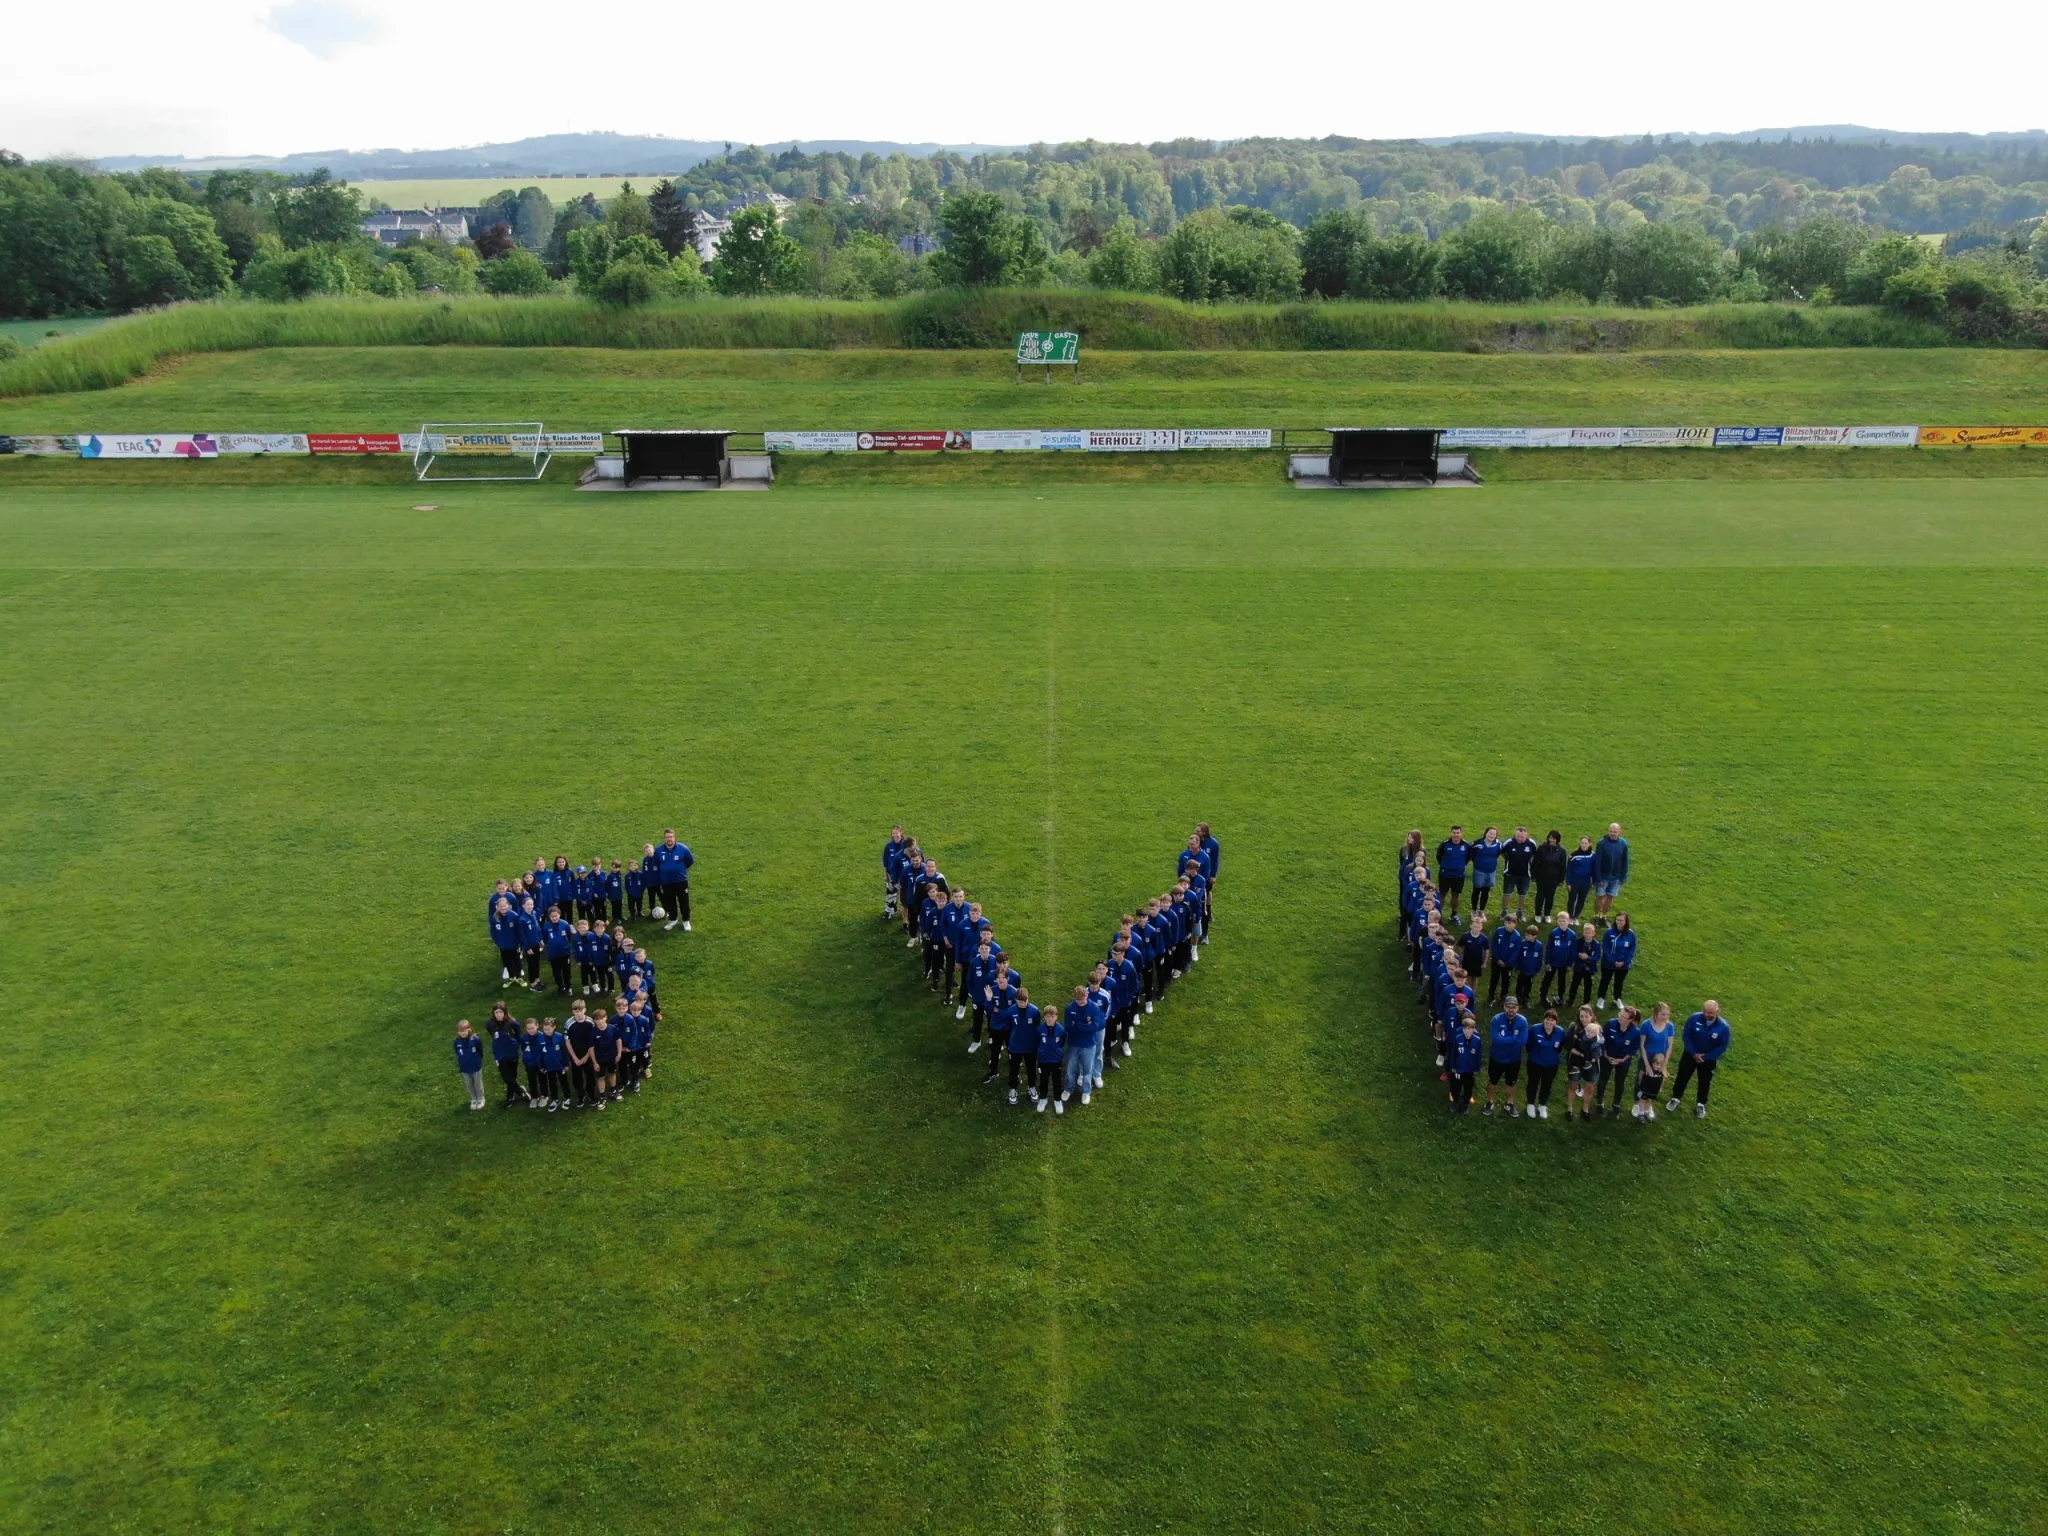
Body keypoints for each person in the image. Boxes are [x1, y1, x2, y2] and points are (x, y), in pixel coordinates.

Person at [1669, 1000, 1731, 1118]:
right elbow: (1686, 1035)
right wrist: (1693, 1053)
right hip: (1690, 1055)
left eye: (1711, 1013)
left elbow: (1722, 1046)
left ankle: (1701, 1103)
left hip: (1708, 1060)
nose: (1708, 1015)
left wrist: (1706, 1057)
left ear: (1718, 1011)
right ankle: (1675, 1097)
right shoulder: (1694, 1018)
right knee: (1682, 1076)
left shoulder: (1723, 1027)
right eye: (1706, 1012)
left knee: (1705, 1081)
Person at [1483, 997, 1529, 1117]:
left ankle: (1509, 1103)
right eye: (1508, 1007)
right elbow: (1496, 1039)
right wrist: (1513, 1039)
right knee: (1493, 1081)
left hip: (1514, 1059)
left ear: (1517, 1008)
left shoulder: (1522, 1021)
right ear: (1504, 1007)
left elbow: (1522, 1041)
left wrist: (1506, 1040)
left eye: (1513, 1007)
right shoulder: (1496, 1019)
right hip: (1497, 1057)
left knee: (1511, 1083)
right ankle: (1490, 1102)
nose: (1511, 1010)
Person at [1597, 1006, 1640, 1118]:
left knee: (1620, 1082)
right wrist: (1605, 1054)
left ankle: (1616, 1103)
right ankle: (1599, 1101)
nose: (1620, 1017)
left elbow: (1634, 1048)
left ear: (1630, 1019)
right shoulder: (1611, 1024)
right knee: (1603, 1079)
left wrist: (1623, 1059)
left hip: (1623, 1060)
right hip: (1607, 1057)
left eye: (1623, 1017)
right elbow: (1603, 1039)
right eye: (1620, 1014)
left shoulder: (1635, 1032)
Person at [1635, 1002, 1675, 1121]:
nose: (1665, 1017)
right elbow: (1642, 1045)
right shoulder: (1646, 1025)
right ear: (1656, 1013)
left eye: (1667, 1014)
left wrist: (1664, 1064)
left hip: (1659, 1060)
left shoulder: (1670, 1026)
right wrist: (1647, 1064)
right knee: (1641, 1080)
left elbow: (1669, 1046)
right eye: (1663, 1014)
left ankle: (1649, 1106)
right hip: (1647, 1058)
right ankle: (1638, 1104)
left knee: (1655, 1082)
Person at [1062, 985, 1100, 1107]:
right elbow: (1068, 1027)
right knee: (1070, 1069)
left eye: (1082, 1000)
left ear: (1087, 996)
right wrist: (1084, 1027)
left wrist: (1080, 1027)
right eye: (1078, 1000)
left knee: (1087, 1070)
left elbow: (1095, 1026)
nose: (1080, 1002)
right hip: (1074, 1044)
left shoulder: (1094, 1008)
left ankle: (1086, 1091)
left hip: (1089, 1045)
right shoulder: (1070, 1008)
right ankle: (1068, 1089)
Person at [1525, 1008, 1566, 1120]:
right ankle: (1530, 1104)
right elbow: (1529, 1045)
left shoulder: (1560, 1032)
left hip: (1551, 1065)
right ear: (1543, 1020)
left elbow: (1560, 1047)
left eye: (1552, 1020)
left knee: (1547, 1085)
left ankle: (1542, 1105)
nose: (1549, 1022)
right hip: (1535, 1063)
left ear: (1556, 1022)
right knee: (1533, 1083)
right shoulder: (1535, 1029)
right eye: (1547, 1019)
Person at [1564, 1006, 1602, 1121]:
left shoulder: (1598, 1028)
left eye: (1586, 1016)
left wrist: (1592, 1057)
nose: (1584, 1019)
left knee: (1590, 1087)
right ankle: (1570, 1109)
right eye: (1581, 1016)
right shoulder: (1574, 1027)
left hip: (1592, 1063)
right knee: (1573, 1085)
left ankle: (1585, 1110)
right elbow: (1567, 1045)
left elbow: (1601, 1045)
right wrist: (1581, 1054)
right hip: (1576, 1061)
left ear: (1592, 1016)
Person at [654, 828, 695, 931]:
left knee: (684, 902)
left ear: (675, 837)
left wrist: (680, 870)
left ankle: (686, 921)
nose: (669, 839)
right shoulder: (659, 850)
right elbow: (656, 864)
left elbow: (690, 861)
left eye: (671, 837)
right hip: (666, 882)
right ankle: (673, 919)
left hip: (681, 881)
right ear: (664, 838)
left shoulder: (683, 849)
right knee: (670, 902)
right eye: (667, 837)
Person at [1007, 988, 1041, 1106]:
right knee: (1014, 1068)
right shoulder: (1011, 1011)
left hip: (1030, 1047)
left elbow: (1037, 1027)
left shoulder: (1035, 1011)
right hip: (1015, 1046)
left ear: (1028, 999)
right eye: (1019, 1002)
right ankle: (1013, 1089)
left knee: (1031, 1068)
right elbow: (1009, 1026)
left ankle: (1031, 1087)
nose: (1021, 1004)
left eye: (1024, 1001)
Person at [1034, 1003, 1067, 1114]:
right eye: (1047, 1016)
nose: (1050, 1019)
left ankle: (1057, 1100)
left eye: (1052, 1016)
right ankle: (1043, 1099)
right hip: (1043, 1061)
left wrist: (1057, 1053)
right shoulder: (1039, 1029)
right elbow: (1036, 1043)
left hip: (1056, 1061)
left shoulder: (1061, 1030)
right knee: (1043, 1080)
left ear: (1056, 1017)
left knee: (1056, 1081)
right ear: (1044, 1017)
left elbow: (1062, 1042)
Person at [1599, 914, 1637, 1007]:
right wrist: (1613, 961)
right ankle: (1601, 998)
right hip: (1608, 963)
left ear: (1626, 922)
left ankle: (1617, 998)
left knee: (1619, 982)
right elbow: (1606, 948)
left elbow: (1632, 950)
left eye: (1621, 920)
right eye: (1617, 920)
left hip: (1624, 965)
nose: (1619, 922)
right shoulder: (1609, 932)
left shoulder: (1631, 934)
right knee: (1605, 981)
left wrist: (1624, 962)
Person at [1446, 1013, 1482, 1114]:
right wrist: (1453, 1066)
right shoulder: (1458, 1038)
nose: (1468, 1031)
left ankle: (1466, 1104)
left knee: (1468, 1087)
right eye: (1466, 1028)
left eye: (1470, 1028)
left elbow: (1479, 1056)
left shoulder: (1477, 1041)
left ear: (1474, 1029)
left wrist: (1477, 1068)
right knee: (1456, 1086)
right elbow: (1453, 1054)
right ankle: (1455, 1102)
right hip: (1459, 1068)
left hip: (1470, 1069)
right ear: (1463, 1028)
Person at [488, 1012, 526, 1106]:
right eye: (496, 1012)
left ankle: (510, 1097)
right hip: (500, 1055)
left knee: (512, 1077)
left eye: (501, 1012)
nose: (499, 1014)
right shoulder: (490, 1024)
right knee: (506, 1078)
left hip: (512, 1054)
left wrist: (515, 1045)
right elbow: (493, 1037)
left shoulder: (513, 1023)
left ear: (505, 1012)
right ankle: (521, 1092)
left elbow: (518, 1035)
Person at [565, 1000, 597, 1109]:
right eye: (576, 1011)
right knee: (576, 1077)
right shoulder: (569, 1023)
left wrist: (587, 1056)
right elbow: (567, 1042)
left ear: (585, 1010)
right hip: (575, 1055)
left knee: (590, 1076)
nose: (579, 1013)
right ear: (573, 1011)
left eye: (581, 1011)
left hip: (588, 1054)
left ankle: (591, 1095)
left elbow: (593, 1041)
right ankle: (580, 1095)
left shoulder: (591, 1022)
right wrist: (574, 1057)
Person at [1593, 822, 1629, 919]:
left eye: (1615, 832)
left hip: (1616, 877)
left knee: (1610, 897)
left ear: (1620, 832)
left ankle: (1603, 916)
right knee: (1599, 896)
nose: (1613, 833)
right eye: (1611, 831)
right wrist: (1598, 878)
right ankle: (1596, 916)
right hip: (1603, 877)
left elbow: (1625, 861)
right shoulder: (1601, 844)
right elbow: (1598, 862)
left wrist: (1623, 877)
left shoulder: (1623, 844)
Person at [1541, 913, 1577, 1008]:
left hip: (1564, 963)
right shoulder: (1554, 933)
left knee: (1562, 980)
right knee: (1548, 978)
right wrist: (1547, 962)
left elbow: (1573, 951)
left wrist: (1570, 964)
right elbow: (1549, 948)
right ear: (1557, 921)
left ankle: (1560, 996)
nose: (1562, 923)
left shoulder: (1572, 935)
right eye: (1560, 921)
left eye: (1564, 921)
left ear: (1568, 921)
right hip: (1553, 962)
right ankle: (1543, 996)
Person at [1501, 826, 1538, 917]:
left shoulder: (1531, 844)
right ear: (1515, 834)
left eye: (1522, 837)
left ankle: (1520, 911)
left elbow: (1534, 854)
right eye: (1517, 836)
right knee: (1507, 892)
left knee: (1523, 893)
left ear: (1526, 836)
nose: (1519, 839)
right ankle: (1504, 911)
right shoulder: (1508, 843)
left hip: (1525, 874)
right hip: (1510, 873)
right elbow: (1502, 853)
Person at [1435, 826, 1471, 918]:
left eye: (1458, 833)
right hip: (1445, 874)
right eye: (1454, 833)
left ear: (1461, 833)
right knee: (1442, 894)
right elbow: (1439, 856)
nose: (1456, 835)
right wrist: (1445, 866)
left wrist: (1460, 867)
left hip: (1458, 875)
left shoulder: (1466, 845)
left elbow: (1467, 858)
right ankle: (1438, 914)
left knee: (1456, 895)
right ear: (1451, 833)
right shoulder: (1445, 844)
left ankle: (1454, 914)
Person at [1532, 830, 1567, 918]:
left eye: (1554, 838)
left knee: (1550, 897)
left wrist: (1561, 880)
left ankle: (1547, 914)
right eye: (1550, 838)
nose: (1552, 840)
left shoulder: (1562, 851)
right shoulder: (1542, 848)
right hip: (1541, 877)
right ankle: (1538, 914)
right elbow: (1535, 862)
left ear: (1558, 839)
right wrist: (1534, 875)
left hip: (1554, 879)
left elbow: (1563, 866)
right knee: (1540, 896)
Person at [1486, 915, 1520, 1006]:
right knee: (1494, 979)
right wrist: (1497, 959)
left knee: (1506, 980)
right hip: (1496, 961)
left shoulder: (1517, 936)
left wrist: (1507, 962)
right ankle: (1491, 996)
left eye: (1510, 923)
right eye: (1506, 923)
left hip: (1508, 964)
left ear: (1515, 924)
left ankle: (1503, 996)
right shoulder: (1499, 931)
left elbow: (1516, 952)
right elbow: (1494, 946)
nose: (1508, 925)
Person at [537, 1018, 570, 1111]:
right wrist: (542, 1066)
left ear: (554, 1027)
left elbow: (564, 1052)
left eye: (548, 1029)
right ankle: (555, 1099)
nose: (546, 1031)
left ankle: (567, 1098)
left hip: (560, 1065)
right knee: (552, 1083)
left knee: (563, 1082)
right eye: (544, 1029)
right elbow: (540, 1054)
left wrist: (566, 1064)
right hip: (549, 1066)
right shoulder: (540, 1038)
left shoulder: (559, 1037)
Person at [1469, 827, 1504, 914]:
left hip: (1491, 872)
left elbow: (1498, 854)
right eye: (1490, 833)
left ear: (1496, 835)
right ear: (1486, 833)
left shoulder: (1498, 844)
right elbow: (1471, 853)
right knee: (1476, 891)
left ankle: (1481, 911)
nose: (1491, 835)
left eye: (1494, 834)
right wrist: (1477, 862)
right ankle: (1474, 910)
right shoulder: (1477, 843)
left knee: (1486, 891)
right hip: (1479, 871)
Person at [591, 1009, 622, 1108]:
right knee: (601, 1077)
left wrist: (619, 1053)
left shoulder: (612, 1028)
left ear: (606, 1018)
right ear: (594, 1021)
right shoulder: (593, 1032)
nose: (599, 1021)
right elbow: (591, 1048)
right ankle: (602, 1097)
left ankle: (614, 1091)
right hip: (599, 1060)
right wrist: (594, 1062)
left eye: (601, 1018)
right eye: (597, 1019)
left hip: (611, 1057)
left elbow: (618, 1040)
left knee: (612, 1073)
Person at [453, 1020, 486, 1111]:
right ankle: (474, 1098)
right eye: (460, 1031)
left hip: (475, 1067)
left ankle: (481, 1099)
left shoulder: (475, 1040)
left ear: (469, 1029)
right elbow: (458, 1053)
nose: (463, 1033)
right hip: (464, 1067)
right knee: (469, 1085)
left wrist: (477, 1061)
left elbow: (480, 1052)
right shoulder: (457, 1042)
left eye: (464, 1031)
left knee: (478, 1084)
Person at [1566, 921, 1599, 1009]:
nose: (1587, 935)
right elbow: (1573, 952)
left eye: (1589, 933)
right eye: (1586, 932)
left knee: (1588, 985)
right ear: (1583, 932)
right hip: (1579, 967)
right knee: (1575, 984)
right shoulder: (1578, 942)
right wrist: (1580, 955)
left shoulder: (1596, 944)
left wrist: (1588, 958)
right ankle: (1571, 1000)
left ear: (1593, 933)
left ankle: (1586, 1002)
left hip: (1590, 969)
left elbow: (1597, 957)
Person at [543, 906, 574, 995]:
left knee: (566, 971)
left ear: (559, 915)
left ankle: (568, 987)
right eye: (552, 916)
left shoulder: (565, 924)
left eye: (556, 916)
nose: (554, 918)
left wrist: (566, 946)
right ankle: (561, 987)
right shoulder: (546, 927)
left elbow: (569, 936)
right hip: (553, 954)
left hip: (565, 953)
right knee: (556, 972)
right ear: (549, 917)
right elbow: (545, 939)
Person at [490, 897, 520, 987]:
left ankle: (518, 977)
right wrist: (497, 941)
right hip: (502, 945)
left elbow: (518, 930)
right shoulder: (495, 917)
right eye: (501, 906)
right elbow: (493, 931)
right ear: (497, 907)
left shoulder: (514, 916)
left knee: (516, 960)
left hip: (514, 944)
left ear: (508, 906)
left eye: (504, 906)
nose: (503, 908)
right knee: (507, 961)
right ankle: (511, 977)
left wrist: (519, 942)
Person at [1565, 837, 1596, 921]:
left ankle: (1576, 917)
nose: (1583, 845)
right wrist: (1568, 883)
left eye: (1586, 843)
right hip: (1574, 882)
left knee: (1581, 900)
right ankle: (1570, 917)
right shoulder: (1574, 855)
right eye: (1582, 843)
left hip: (1586, 883)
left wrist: (1594, 882)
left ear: (1590, 844)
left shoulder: (1593, 855)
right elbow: (1569, 870)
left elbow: (1594, 869)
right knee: (1572, 899)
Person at [520, 1018, 546, 1107]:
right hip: (530, 1063)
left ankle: (544, 1096)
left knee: (542, 1079)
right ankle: (534, 1097)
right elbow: (524, 1049)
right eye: (528, 1029)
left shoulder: (543, 1036)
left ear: (537, 1026)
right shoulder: (524, 1038)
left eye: (532, 1028)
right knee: (532, 1080)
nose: (531, 1030)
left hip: (541, 1063)